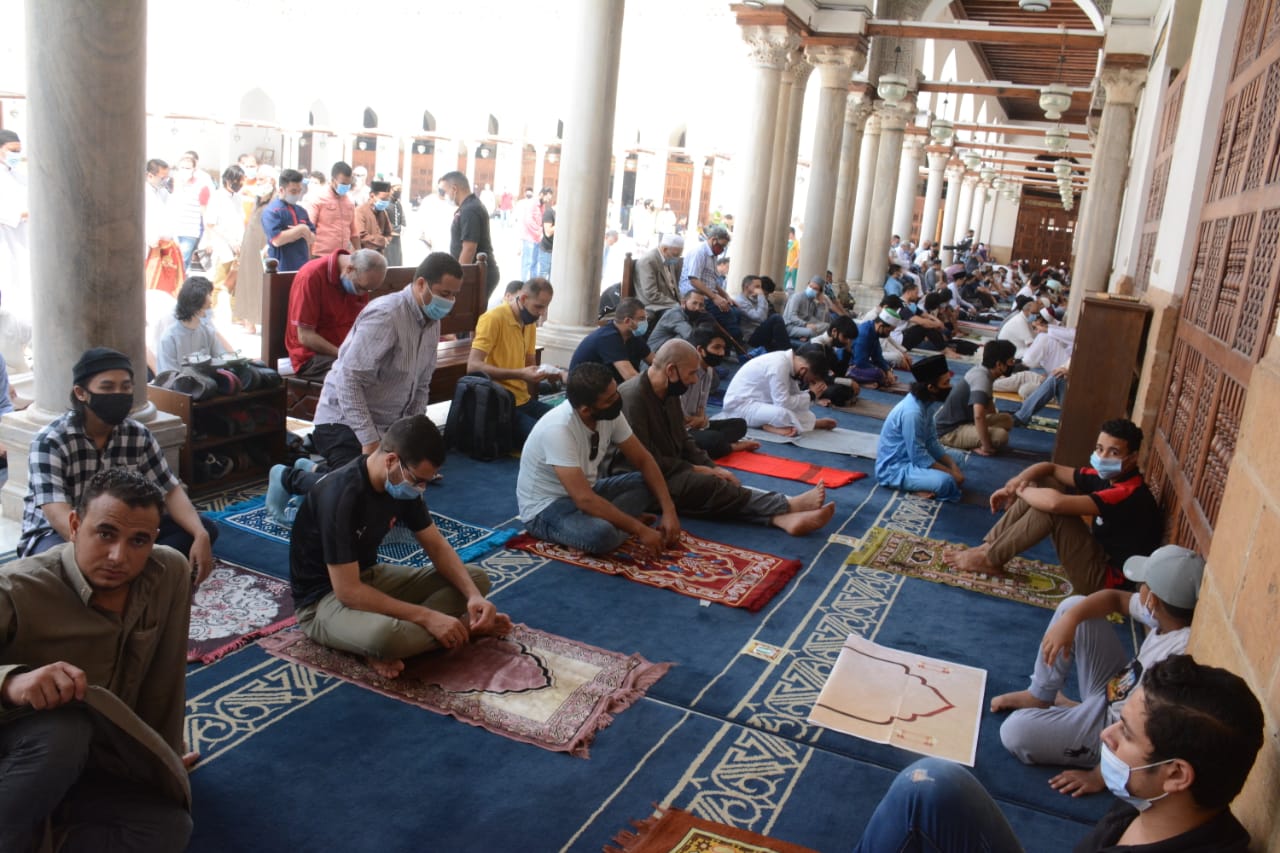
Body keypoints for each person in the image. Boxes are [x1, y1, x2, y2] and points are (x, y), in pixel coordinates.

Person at [850, 655, 1264, 853]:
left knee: (924, 791)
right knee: (932, 786)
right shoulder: (1159, 805)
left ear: (1176, 774)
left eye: (1126, 734)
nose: (1107, 735)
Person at [0, 469, 196, 852]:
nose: (118, 557)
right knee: (66, 731)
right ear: (74, 525)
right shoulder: (16, 588)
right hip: (21, 756)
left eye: (138, 541)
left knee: (168, 827)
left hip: (89, 764)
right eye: (105, 534)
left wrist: (162, 756)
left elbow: (164, 682)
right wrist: (11, 683)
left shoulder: (167, 573)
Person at [287, 415, 510, 678]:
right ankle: (459, 631)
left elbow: (436, 546)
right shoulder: (340, 495)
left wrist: (473, 596)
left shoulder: (403, 484)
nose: (421, 488)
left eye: (427, 481)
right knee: (385, 638)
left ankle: (415, 637)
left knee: (476, 579)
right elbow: (347, 592)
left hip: (369, 578)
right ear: (392, 460)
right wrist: (427, 617)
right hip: (323, 602)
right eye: (418, 480)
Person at [269, 253, 465, 522]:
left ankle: (315, 471)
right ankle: (287, 477)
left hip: (385, 427)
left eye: (454, 295)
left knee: (400, 494)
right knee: (361, 499)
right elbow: (348, 381)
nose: (449, 302)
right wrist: (371, 444)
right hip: (344, 422)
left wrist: (411, 444)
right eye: (444, 294)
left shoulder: (432, 322)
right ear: (421, 284)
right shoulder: (386, 315)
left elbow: (421, 386)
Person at [991, 545, 1203, 788]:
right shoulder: (1167, 615)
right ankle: (1040, 695)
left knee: (1015, 731)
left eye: (1143, 585)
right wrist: (1070, 620)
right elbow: (1115, 598)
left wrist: (1101, 775)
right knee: (1074, 606)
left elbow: (1149, 727)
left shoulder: (1178, 654)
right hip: (1113, 690)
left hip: (1116, 727)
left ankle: (1090, 734)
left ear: (1152, 600)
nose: (1138, 589)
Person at [18, 348, 217, 585]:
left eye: (125, 387)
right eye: (107, 387)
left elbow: (170, 490)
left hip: (123, 527)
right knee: (58, 567)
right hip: (61, 534)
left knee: (202, 528)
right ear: (81, 393)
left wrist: (200, 535)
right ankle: (133, 575)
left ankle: (128, 575)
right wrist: (104, 550)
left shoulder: (138, 435)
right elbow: (57, 513)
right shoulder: (51, 442)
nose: (118, 394)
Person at [611, 340, 835, 535]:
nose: (694, 381)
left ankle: (780, 519)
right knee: (706, 485)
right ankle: (785, 506)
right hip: (637, 478)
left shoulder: (668, 391)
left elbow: (685, 440)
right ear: (671, 370)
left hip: (669, 467)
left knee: (717, 482)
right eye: (691, 374)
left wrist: (712, 467)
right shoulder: (633, 398)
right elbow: (643, 460)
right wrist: (698, 469)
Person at [945, 418, 1162, 594]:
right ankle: (989, 548)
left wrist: (1020, 490)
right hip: (1098, 554)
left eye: (1113, 452)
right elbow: (1050, 468)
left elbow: (1055, 504)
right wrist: (1016, 482)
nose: (1102, 457)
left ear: (1133, 458)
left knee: (1051, 511)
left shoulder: (1127, 493)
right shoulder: (1110, 476)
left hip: (1105, 581)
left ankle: (990, 559)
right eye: (1099, 449)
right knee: (1043, 482)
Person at [516, 362, 680, 556]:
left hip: (588, 492)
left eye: (615, 391)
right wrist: (639, 530)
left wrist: (669, 510)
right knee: (602, 535)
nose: (618, 399)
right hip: (546, 508)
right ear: (586, 410)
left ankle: (598, 527)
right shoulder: (558, 429)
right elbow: (584, 500)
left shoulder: (609, 413)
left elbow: (643, 460)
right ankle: (601, 528)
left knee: (648, 482)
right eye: (610, 399)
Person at [468, 277, 557, 441]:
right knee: (544, 438)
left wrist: (551, 373)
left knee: (565, 423)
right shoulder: (493, 318)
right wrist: (520, 374)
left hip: (523, 400)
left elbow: (530, 366)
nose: (542, 313)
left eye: (545, 307)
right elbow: (473, 366)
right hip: (499, 402)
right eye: (538, 306)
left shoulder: (530, 323)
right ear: (523, 299)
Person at [284, 248, 387, 380]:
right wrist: (344, 354)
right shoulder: (311, 276)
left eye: (369, 290)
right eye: (362, 288)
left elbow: (362, 325)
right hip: (312, 357)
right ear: (349, 269)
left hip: (346, 351)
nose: (363, 294)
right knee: (361, 378)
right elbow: (305, 336)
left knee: (391, 370)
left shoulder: (361, 278)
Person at [874, 354, 965, 501]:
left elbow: (931, 442)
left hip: (913, 457)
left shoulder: (927, 403)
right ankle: (915, 485)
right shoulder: (913, 413)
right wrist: (950, 473)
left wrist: (952, 466)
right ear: (931, 388)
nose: (950, 387)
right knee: (946, 482)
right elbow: (918, 456)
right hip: (896, 468)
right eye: (946, 383)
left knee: (958, 459)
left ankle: (924, 481)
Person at [721, 345, 836, 437]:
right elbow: (783, 403)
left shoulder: (789, 364)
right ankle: (766, 426)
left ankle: (808, 423)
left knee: (806, 413)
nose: (807, 382)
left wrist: (811, 396)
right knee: (782, 414)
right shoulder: (779, 365)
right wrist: (811, 395)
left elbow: (794, 397)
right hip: (739, 408)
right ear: (803, 370)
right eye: (810, 379)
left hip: (759, 402)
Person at [683, 325, 758, 459]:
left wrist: (701, 419)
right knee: (713, 439)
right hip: (680, 429)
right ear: (700, 350)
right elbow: (676, 417)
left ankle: (718, 445)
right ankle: (730, 447)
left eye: (723, 348)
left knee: (739, 425)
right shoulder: (686, 373)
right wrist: (699, 421)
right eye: (716, 348)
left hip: (697, 425)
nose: (721, 353)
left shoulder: (708, 370)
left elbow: (702, 408)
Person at [934, 339, 1017, 455]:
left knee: (1007, 420)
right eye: (1011, 361)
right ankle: (971, 444)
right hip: (949, 431)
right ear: (999, 365)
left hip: (967, 420)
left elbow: (989, 407)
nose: (1013, 364)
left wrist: (993, 422)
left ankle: (973, 438)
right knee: (1001, 436)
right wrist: (987, 446)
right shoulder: (982, 379)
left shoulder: (984, 371)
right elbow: (979, 416)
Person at [440, 171, 500, 296]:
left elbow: (469, 249)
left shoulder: (470, 210)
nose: (443, 196)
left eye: (444, 191)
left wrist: (458, 280)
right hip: (475, 272)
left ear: (454, 189)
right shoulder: (469, 206)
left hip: (477, 274)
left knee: (468, 308)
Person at [569, 297, 652, 383]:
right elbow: (631, 377)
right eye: (641, 319)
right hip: (588, 387)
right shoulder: (608, 337)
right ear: (627, 321)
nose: (645, 322)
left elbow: (654, 361)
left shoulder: (632, 336)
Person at [156, 276, 228, 373]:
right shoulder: (169, 338)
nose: (209, 311)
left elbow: (221, 359)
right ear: (195, 307)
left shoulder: (207, 332)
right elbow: (168, 375)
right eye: (206, 308)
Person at [201, 164, 245, 312]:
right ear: (227, 179)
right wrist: (231, 241)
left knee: (237, 281)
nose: (239, 184)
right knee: (220, 281)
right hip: (223, 245)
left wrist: (239, 241)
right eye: (236, 180)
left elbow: (240, 221)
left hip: (238, 245)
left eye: (241, 181)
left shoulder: (238, 197)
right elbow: (212, 223)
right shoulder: (217, 197)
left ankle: (236, 313)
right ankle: (211, 311)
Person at [262, 168, 316, 273]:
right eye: (293, 191)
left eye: (299, 191)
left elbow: (312, 238)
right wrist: (301, 230)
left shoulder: (301, 211)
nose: (297, 194)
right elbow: (277, 240)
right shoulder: (272, 211)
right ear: (281, 190)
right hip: (281, 268)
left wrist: (294, 233)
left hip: (302, 266)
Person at [304, 161, 358, 259]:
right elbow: (309, 229)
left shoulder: (349, 201)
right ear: (333, 180)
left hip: (343, 256)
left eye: (348, 184)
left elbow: (354, 232)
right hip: (320, 255)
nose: (346, 187)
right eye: (343, 184)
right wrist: (308, 256)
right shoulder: (318, 197)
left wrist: (359, 253)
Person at [735, 274, 791, 353]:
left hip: (759, 331)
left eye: (760, 287)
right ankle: (788, 352)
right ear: (747, 287)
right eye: (757, 287)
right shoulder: (741, 301)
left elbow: (765, 315)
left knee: (779, 334)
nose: (760, 290)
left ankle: (787, 351)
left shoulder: (753, 298)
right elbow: (761, 318)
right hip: (751, 337)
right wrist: (761, 296)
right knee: (776, 318)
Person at [849, 307, 903, 387]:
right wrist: (882, 372)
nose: (888, 334)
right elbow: (860, 362)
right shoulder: (864, 334)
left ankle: (877, 379)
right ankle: (862, 382)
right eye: (888, 331)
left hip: (860, 362)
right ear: (880, 325)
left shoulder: (874, 331)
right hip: (850, 367)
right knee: (878, 373)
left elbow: (877, 357)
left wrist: (887, 370)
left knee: (887, 368)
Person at [634, 233, 683, 321]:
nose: (677, 258)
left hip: (668, 303)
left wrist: (682, 301)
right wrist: (675, 304)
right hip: (653, 305)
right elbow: (651, 294)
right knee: (677, 316)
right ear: (664, 249)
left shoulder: (668, 258)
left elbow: (673, 287)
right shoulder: (648, 261)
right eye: (675, 255)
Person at [355, 180, 393, 254]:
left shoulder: (383, 212)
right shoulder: (360, 211)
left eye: (387, 199)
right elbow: (361, 236)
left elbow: (389, 233)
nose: (385, 202)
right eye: (383, 199)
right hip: (363, 255)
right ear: (372, 196)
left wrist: (385, 240)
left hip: (379, 254)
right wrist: (382, 241)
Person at [517, 187, 543, 280]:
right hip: (526, 234)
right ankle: (524, 282)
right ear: (524, 194)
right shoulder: (521, 203)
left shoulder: (536, 205)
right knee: (527, 262)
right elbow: (520, 220)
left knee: (533, 262)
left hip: (533, 236)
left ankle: (531, 283)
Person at [385, 177, 405, 266]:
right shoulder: (385, 203)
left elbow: (403, 220)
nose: (399, 192)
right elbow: (384, 222)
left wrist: (402, 227)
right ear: (390, 188)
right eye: (397, 189)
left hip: (397, 240)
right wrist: (395, 229)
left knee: (397, 263)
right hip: (388, 240)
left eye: (400, 189)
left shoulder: (398, 203)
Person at [536, 186, 556, 279]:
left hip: (555, 250)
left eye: (549, 199)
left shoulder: (543, 206)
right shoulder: (549, 212)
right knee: (543, 273)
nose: (548, 200)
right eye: (547, 198)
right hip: (546, 249)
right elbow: (548, 233)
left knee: (552, 274)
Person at [783, 226, 799, 291]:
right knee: (784, 281)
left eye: (788, 234)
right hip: (787, 265)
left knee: (795, 283)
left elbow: (798, 256)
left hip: (794, 266)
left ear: (791, 233)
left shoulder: (797, 243)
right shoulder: (790, 243)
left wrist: (792, 266)